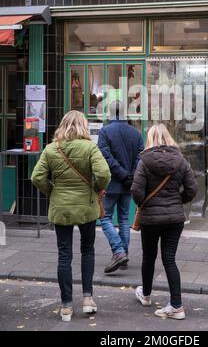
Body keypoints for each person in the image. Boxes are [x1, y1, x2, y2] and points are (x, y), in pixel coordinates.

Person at [31, 110, 111, 321]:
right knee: (88, 250)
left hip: (61, 208)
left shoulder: (51, 149)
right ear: (83, 126)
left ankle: (66, 306)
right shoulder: (90, 147)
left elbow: (36, 177)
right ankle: (87, 299)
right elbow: (104, 174)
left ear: (62, 125)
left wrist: (52, 191)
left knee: (64, 255)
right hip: (86, 207)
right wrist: (96, 188)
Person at [131, 123, 198, 320]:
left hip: (150, 219)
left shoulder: (144, 161)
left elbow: (136, 190)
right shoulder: (181, 161)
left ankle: (146, 295)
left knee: (148, 257)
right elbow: (192, 189)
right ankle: (176, 305)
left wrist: (143, 203)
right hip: (175, 218)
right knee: (169, 259)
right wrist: (178, 201)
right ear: (169, 137)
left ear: (150, 138)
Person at [98, 100, 144, 273]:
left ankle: (118, 251)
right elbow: (141, 157)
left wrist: (123, 175)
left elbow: (105, 158)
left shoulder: (105, 132)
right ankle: (123, 255)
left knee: (104, 218)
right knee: (124, 219)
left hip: (111, 183)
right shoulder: (136, 133)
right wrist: (130, 176)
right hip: (128, 184)